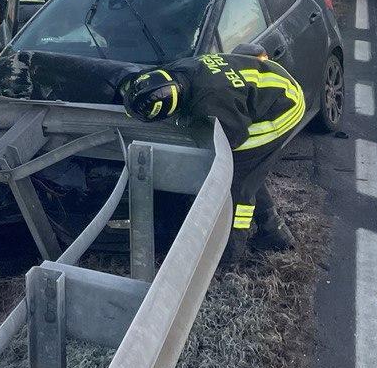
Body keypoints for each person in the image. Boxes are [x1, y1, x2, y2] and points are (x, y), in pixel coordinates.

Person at [122, 43, 305, 262]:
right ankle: (274, 229)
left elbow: (232, 139)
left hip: (283, 108)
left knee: (237, 178)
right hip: (269, 81)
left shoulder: (212, 101)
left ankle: (231, 253)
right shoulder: (177, 70)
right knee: (251, 169)